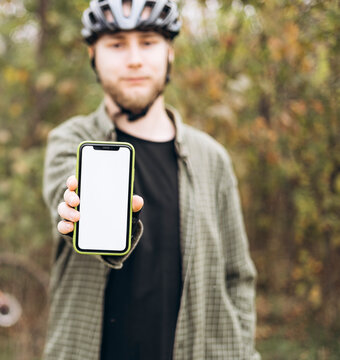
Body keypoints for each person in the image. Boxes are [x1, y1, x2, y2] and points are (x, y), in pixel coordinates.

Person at [42, 0, 259, 359]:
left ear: (170, 53)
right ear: (92, 54)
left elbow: (237, 277)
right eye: (116, 44)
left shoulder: (212, 158)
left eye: (147, 41)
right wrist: (75, 212)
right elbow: (61, 201)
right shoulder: (71, 140)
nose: (134, 59)